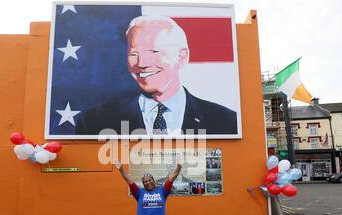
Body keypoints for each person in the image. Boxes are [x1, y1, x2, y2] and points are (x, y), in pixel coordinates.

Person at [75, 15, 238, 136]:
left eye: (153, 51)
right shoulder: (93, 122)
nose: (142, 63)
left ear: (181, 57)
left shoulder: (226, 121)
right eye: (134, 53)